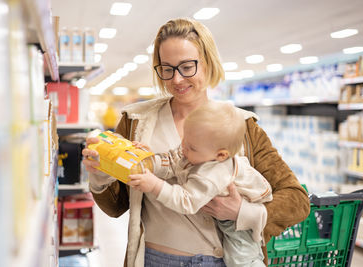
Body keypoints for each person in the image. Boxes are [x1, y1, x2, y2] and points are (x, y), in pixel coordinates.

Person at [82, 17, 310, 267]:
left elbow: (297, 200)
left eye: (187, 66)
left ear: (208, 62)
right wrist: (101, 173)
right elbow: (116, 206)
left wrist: (240, 213)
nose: (177, 80)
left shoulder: (241, 126)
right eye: (167, 68)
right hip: (155, 260)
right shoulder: (136, 121)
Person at [127, 101, 273, 267]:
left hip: (239, 226)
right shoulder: (197, 149)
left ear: (220, 155)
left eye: (191, 147)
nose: (183, 147)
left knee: (241, 260)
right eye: (184, 139)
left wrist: (155, 186)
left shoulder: (212, 174)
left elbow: (186, 201)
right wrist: (149, 158)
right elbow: (174, 161)